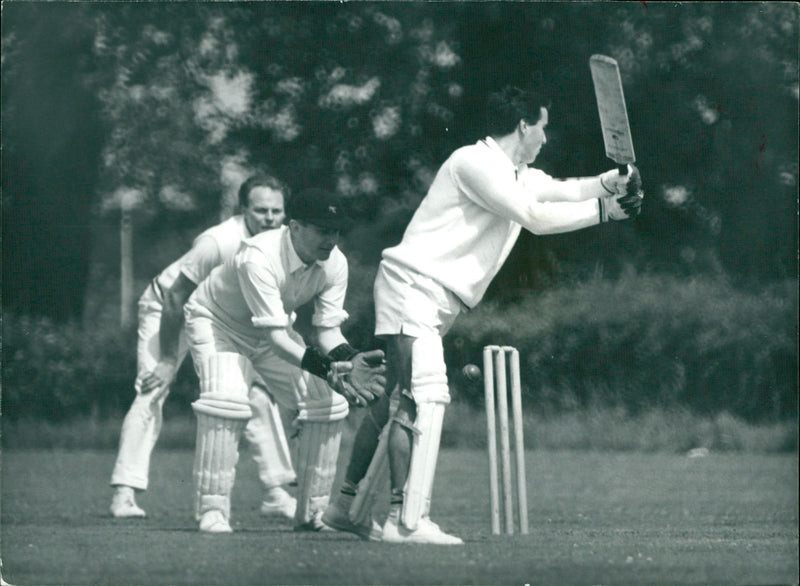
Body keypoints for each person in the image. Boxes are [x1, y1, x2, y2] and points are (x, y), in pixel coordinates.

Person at [323, 85, 644, 544]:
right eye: (543, 128)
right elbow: (535, 216)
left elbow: (562, 190)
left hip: (432, 294)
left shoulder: (516, 172)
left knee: (397, 398)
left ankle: (346, 507)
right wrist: (606, 212)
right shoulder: (473, 162)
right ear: (522, 126)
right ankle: (406, 519)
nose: (545, 139)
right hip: (413, 286)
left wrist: (613, 183)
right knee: (424, 397)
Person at [182, 186, 387, 534]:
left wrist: (348, 361)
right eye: (323, 230)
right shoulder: (258, 256)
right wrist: (328, 369)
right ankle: (212, 510)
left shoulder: (334, 262)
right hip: (218, 323)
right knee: (226, 399)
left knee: (326, 402)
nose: (331, 239)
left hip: (270, 331)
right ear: (294, 227)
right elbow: (277, 339)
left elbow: (327, 331)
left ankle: (313, 514)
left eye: (336, 231)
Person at [110, 174, 299, 521]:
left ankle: (276, 492)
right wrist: (167, 360)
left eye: (277, 210)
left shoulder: (284, 243)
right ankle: (124, 493)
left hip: (218, 318)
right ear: (244, 210)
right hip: (166, 309)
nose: (270, 218)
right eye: (261, 210)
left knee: (254, 394)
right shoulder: (220, 241)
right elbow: (175, 297)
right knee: (152, 388)